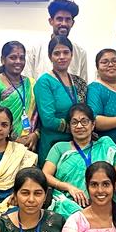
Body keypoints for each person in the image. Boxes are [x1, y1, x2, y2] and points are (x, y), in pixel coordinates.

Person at [43, 104, 116, 213]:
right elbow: (45, 175)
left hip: (104, 201)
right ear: (69, 126)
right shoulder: (59, 148)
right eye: (74, 122)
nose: (79, 126)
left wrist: (104, 189)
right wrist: (68, 187)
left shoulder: (105, 146)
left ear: (93, 125)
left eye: (84, 121)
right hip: (69, 203)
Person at [33, 35, 88, 166]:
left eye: (66, 52)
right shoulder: (44, 82)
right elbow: (48, 120)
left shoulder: (77, 81)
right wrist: (76, 127)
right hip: (53, 143)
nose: (61, 57)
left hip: (77, 142)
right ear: (50, 56)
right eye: (56, 53)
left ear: (71, 55)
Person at [0, 41, 39, 150]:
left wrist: (36, 134)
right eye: (13, 57)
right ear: (3, 60)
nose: (18, 61)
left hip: (30, 145)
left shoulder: (31, 83)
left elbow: (39, 115)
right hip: (0, 145)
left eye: (21, 58)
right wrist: (14, 139)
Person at [25, 0, 89, 81]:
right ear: (51, 21)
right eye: (59, 19)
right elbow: (28, 82)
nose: (64, 23)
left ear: (72, 23)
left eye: (67, 19)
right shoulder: (35, 50)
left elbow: (83, 83)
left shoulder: (80, 52)